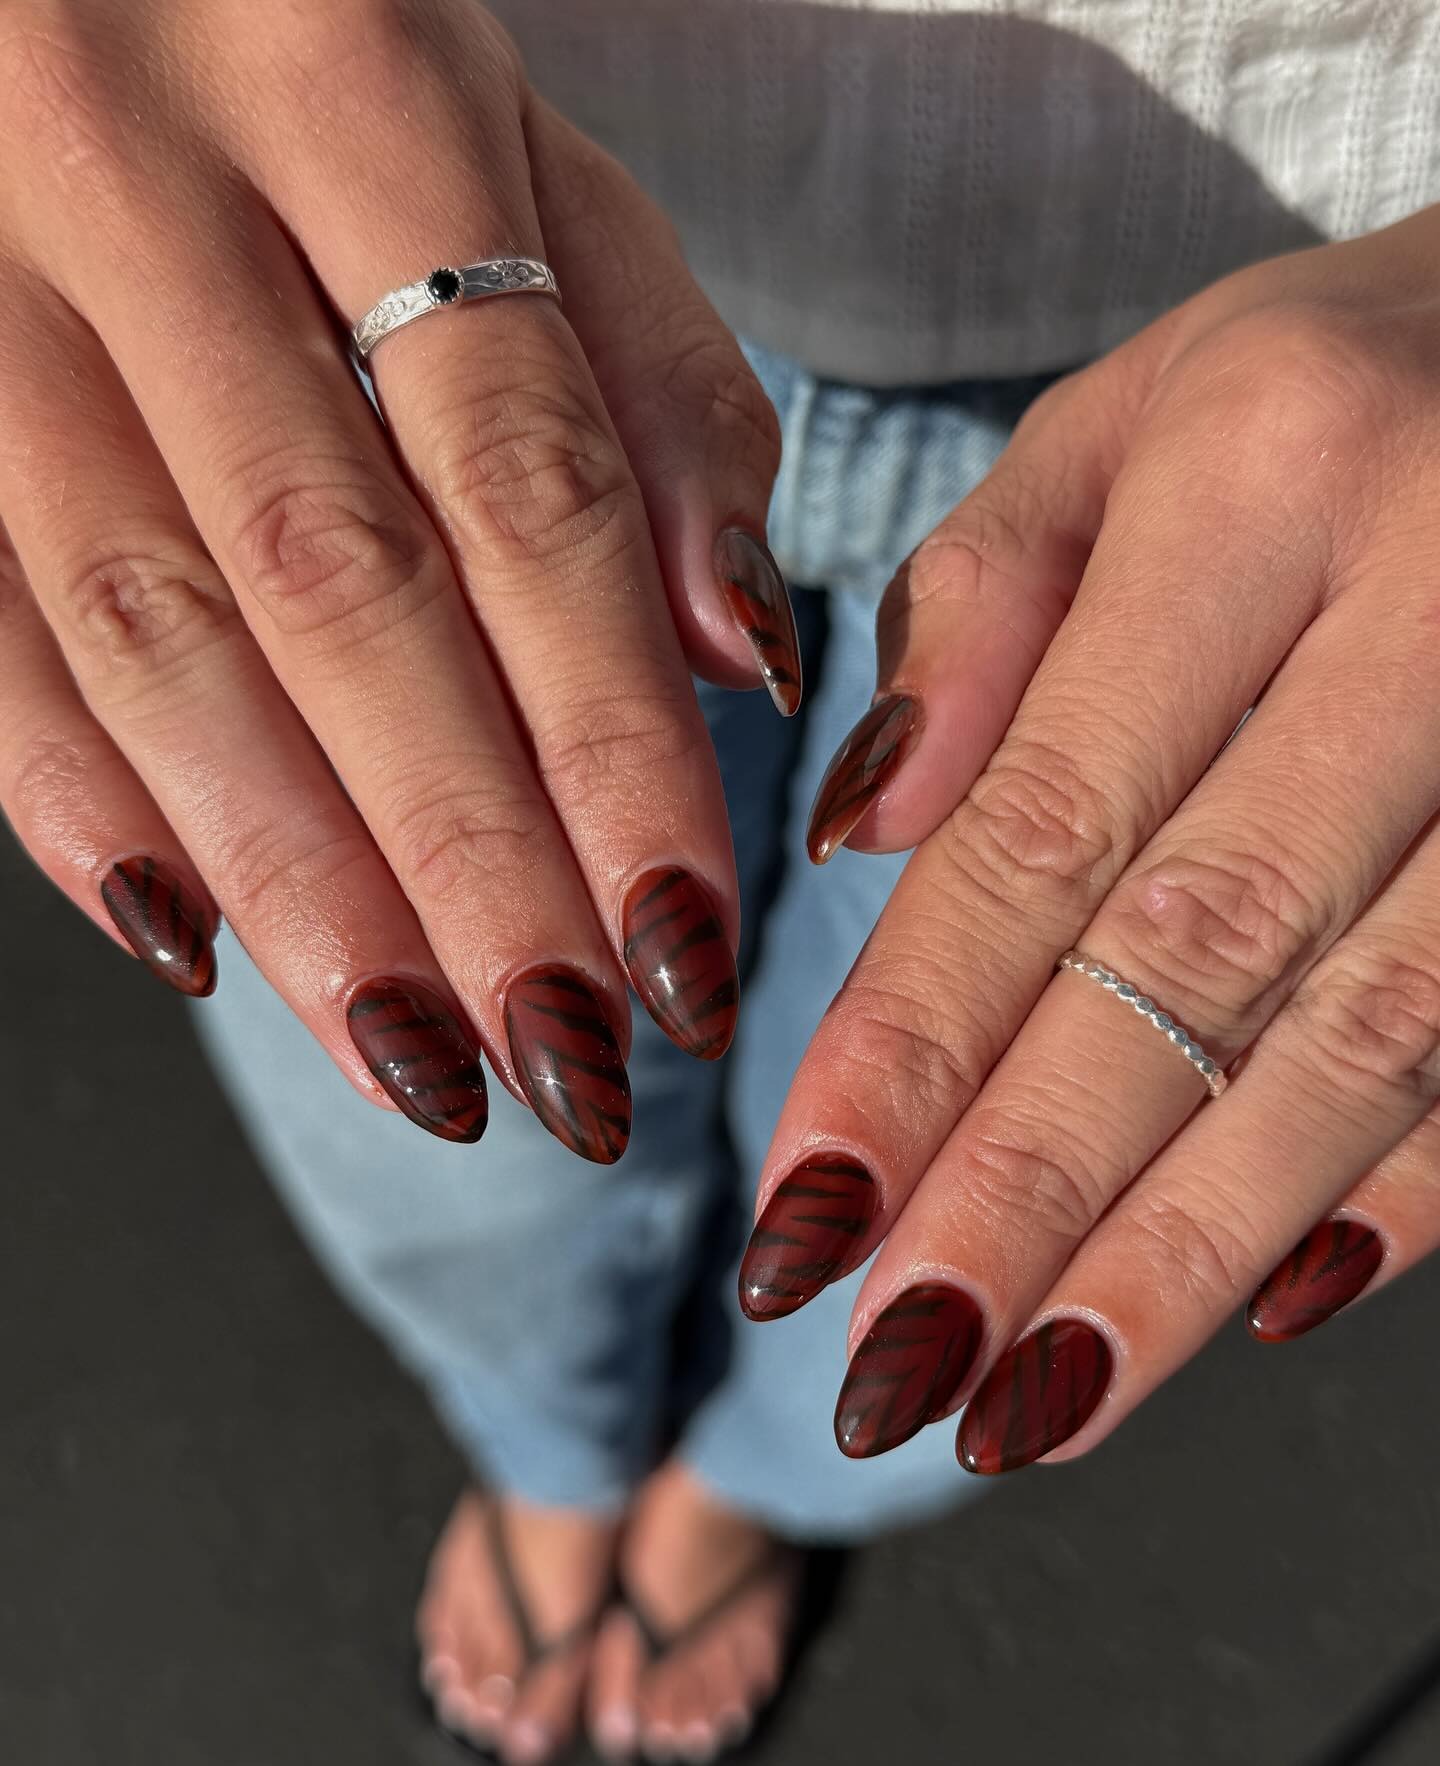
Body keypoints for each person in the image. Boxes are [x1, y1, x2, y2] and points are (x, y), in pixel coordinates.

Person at [3, 2, 1440, 1762]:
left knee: (991, 1213)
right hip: (349, 203)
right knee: (458, 1156)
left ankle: (749, 1488)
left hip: (1341, 375)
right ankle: (555, 1454)